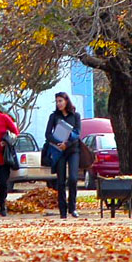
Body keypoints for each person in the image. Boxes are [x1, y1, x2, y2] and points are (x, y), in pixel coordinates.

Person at [45, 91, 81, 219]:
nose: (59, 103)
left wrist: (68, 143)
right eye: (57, 101)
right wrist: (58, 143)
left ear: (66, 101)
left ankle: (73, 207)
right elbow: (48, 134)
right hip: (59, 151)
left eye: (61, 101)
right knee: (60, 181)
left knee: (73, 178)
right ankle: (62, 210)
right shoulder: (54, 116)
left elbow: (78, 133)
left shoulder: (75, 115)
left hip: (72, 149)